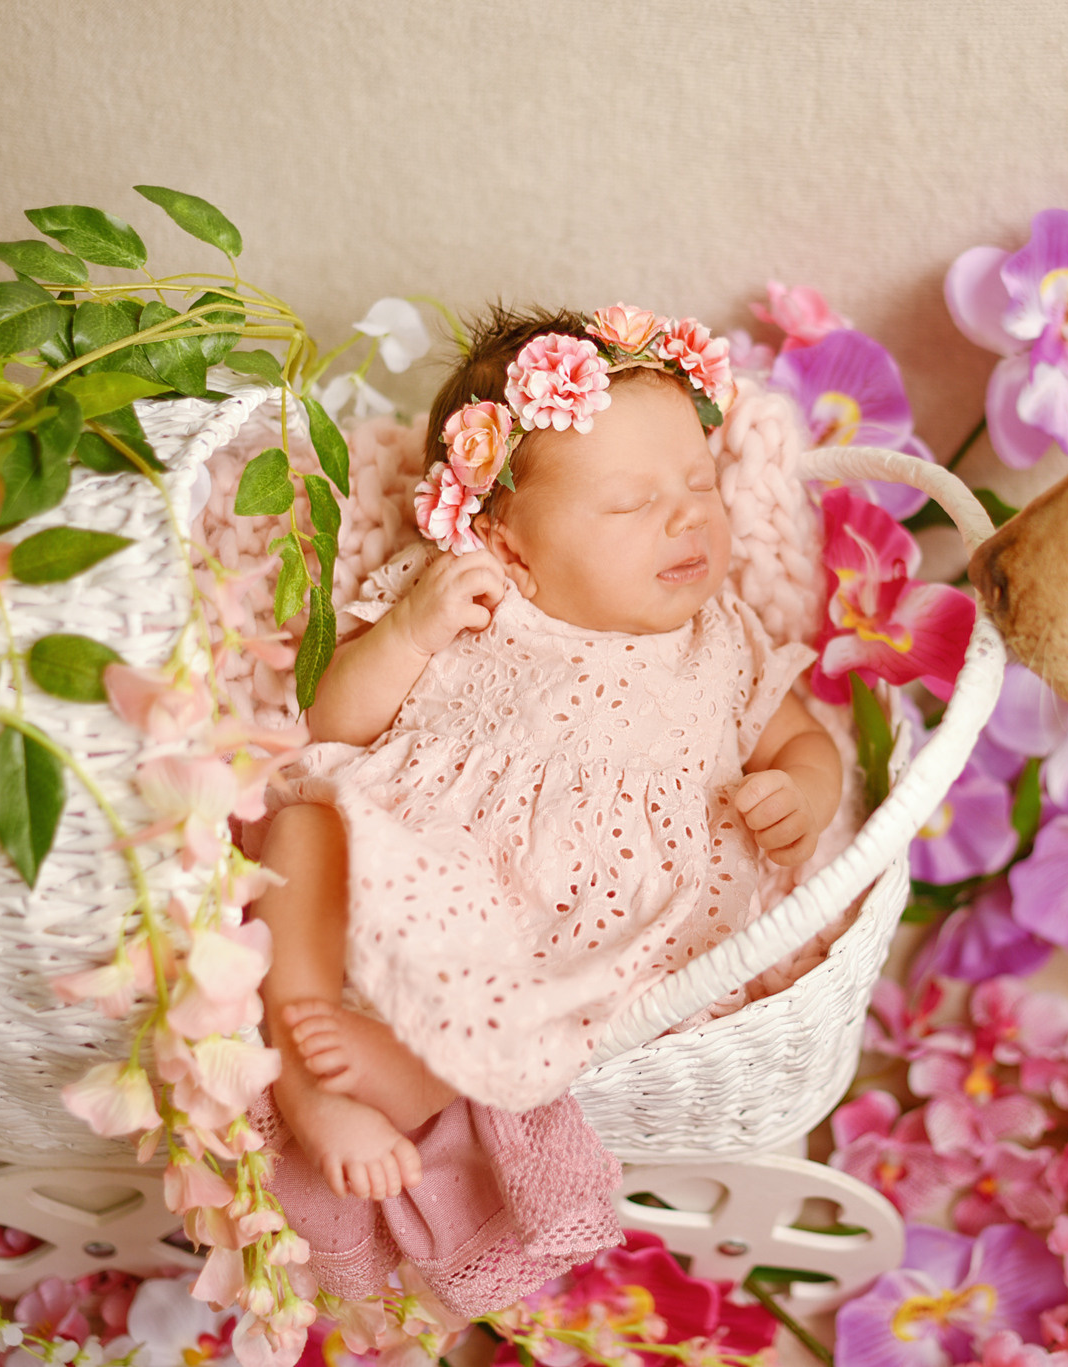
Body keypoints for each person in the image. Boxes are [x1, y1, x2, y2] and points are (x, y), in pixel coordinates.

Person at [247, 303, 844, 1312]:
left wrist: (803, 789)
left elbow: (802, 741)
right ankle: (300, 1050)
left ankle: (425, 1070)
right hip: (427, 850)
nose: (688, 516)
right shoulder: (461, 596)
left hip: (607, 901)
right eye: (631, 502)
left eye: (700, 482)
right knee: (301, 820)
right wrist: (406, 634)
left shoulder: (722, 637)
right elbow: (329, 724)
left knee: (586, 977)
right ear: (504, 539)